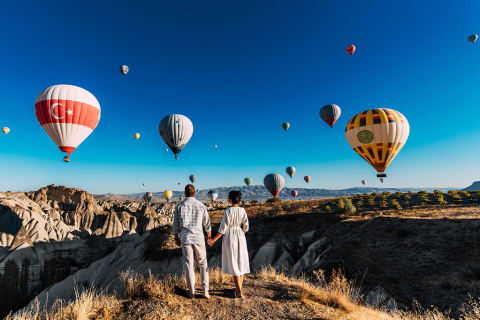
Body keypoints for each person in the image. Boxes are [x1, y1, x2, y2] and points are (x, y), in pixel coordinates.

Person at [208, 190, 250, 298]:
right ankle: (238, 289)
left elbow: (222, 229)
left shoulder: (228, 211)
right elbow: (246, 227)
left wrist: (213, 240)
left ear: (230, 200)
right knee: (240, 263)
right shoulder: (243, 210)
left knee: (234, 264)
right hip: (240, 235)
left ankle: (239, 291)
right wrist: (240, 234)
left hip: (230, 236)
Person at [173, 184, 212, 299]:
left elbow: (175, 225)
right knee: (203, 263)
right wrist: (209, 237)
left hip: (185, 238)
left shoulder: (179, 206)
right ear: (195, 193)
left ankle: (192, 292)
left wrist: (176, 238)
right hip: (199, 237)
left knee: (189, 265)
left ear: (185, 193)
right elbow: (207, 223)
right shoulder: (201, 205)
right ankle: (205, 291)